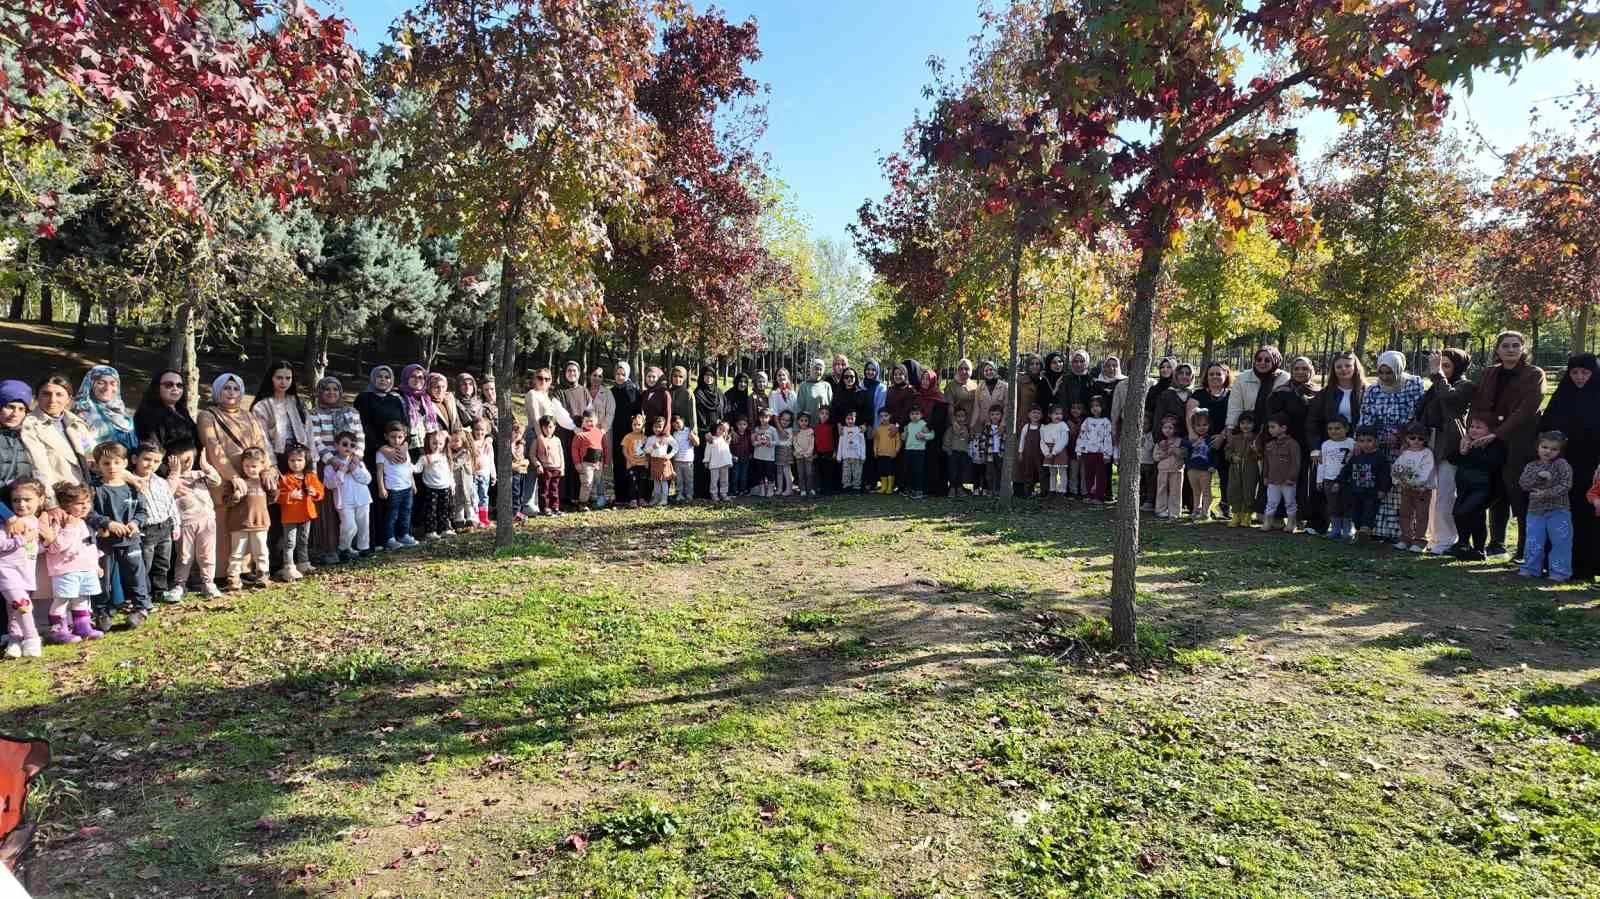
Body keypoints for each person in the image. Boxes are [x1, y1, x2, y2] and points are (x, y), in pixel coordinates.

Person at [1469, 331, 1544, 560]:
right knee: (1497, 490)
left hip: (1520, 441)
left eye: (1515, 345)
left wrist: (1498, 432)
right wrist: (1472, 431)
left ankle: (1523, 550)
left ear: (1523, 349)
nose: (1511, 350)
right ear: (1498, 350)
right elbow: (1478, 405)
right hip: (1491, 440)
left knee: (1519, 491)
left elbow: (1527, 408)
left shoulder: (1534, 374)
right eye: (1505, 346)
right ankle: (1497, 543)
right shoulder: (1489, 373)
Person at [198, 372, 275, 571]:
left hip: (251, 476)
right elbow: (213, 448)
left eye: (236, 388)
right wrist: (232, 476)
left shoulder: (249, 416)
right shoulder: (207, 415)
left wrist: (266, 469)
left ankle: (245, 570)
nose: (231, 392)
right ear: (218, 390)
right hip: (223, 478)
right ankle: (221, 572)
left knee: (248, 521)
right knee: (225, 523)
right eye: (226, 388)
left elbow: (261, 445)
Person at [1536, 354, 1597, 583]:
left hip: (1590, 468)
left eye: (1585, 372)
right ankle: (1554, 564)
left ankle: (1585, 566)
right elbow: (1546, 429)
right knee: (1558, 514)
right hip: (1560, 465)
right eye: (1574, 372)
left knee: (1585, 516)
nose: (1579, 377)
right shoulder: (1562, 397)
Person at [1359, 351, 1424, 542]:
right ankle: (1379, 530)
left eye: (1389, 372)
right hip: (1379, 444)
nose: (1385, 377)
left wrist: (1403, 437)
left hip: (1406, 444)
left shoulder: (1413, 385)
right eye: (1381, 372)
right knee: (1381, 485)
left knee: (1401, 487)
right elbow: (1366, 416)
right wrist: (1367, 439)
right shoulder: (1373, 390)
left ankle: (1403, 532)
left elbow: (1418, 414)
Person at [89, 441, 153, 629]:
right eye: (106, 463)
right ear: (98, 465)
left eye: (117, 462)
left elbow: (142, 511)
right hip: (104, 544)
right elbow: (89, 513)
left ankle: (141, 608)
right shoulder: (94, 489)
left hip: (131, 541)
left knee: (136, 576)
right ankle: (102, 612)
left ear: (125, 463)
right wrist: (108, 523)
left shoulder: (133, 488)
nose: (112, 467)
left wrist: (135, 523)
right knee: (103, 579)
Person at [1414, 349, 1471, 555]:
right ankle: (1431, 536)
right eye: (1438, 365)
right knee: (1429, 493)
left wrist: (1437, 375)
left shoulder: (1465, 386)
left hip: (1449, 445)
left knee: (1445, 495)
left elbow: (1450, 399)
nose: (1440, 370)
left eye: (1446, 366)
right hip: (1430, 441)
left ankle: (1446, 539)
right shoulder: (1434, 387)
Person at [309, 376, 362, 566]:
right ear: (320, 392)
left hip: (350, 464)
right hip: (328, 465)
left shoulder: (351, 412)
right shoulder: (314, 414)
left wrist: (356, 457)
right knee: (329, 510)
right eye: (326, 389)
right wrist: (332, 460)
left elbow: (359, 436)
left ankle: (346, 546)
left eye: (335, 389)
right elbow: (315, 440)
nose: (331, 393)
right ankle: (328, 548)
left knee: (349, 507)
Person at [22, 375, 95, 507]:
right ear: (37, 397)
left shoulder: (76, 423)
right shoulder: (30, 425)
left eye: (59, 394)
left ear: (69, 399)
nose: (52, 400)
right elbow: (39, 468)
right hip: (59, 499)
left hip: (84, 497)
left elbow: (93, 454)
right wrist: (51, 504)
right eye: (46, 394)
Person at [44, 481, 103, 641]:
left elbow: (88, 545)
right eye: (79, 503)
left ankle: (83, 627)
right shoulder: (59, 522)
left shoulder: (83, 521)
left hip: (85, 568)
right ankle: (58, 630)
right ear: (66, 505)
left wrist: (95, 564)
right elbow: (55, 547)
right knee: (62, 599)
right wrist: (70, 527)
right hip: (66, 570)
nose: (85, 507)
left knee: (82, 598)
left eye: (87, 502)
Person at [1266, 357, 1318, 532]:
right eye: (1297, 368)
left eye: (1305, 369)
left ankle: (1299, 517)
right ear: (1291, 370)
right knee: (1281, 477)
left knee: (1303, 480)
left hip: (1308, 442)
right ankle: (1278, 515)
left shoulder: (1318, 392)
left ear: (1311, 370)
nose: (1300, 372)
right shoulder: (1281, 392)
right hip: (1284, 442)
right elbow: (1272, 416)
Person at [165, 440, 221, 598]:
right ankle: (179, 584)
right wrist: (174, 473)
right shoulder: (171, 479)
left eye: (190, 458)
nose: (187, 463)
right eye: (182, 460)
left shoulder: (199, 474)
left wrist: (206, 466)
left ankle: (208, 583)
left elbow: (216, 481)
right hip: (184, 523)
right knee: (184, 556)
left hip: (207, 521)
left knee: (207, 554)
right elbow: (167, 493)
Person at [1, 479, 50, 659]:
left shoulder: (35, 521)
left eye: (27, 500)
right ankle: (32, 638)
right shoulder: (7, 522)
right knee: (22, 605)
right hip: (6, 571)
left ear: (40, 500)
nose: (21, 504)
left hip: (26, 573)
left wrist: (46, 543)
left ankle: (14, 640)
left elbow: (32, 548)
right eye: (16, 500)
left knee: (14, 610)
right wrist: (21, 539)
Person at [1449, 415, 1507, 561]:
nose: (1474, 430)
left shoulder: (1496, 445)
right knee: (1476, 517)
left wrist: (1475, 449)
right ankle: (1478, 550)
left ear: (1490, 430)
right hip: (1466, 487)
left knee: (1462, 512)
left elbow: (1492, 463)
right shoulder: (1467, 442)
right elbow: (1453, 459)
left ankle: (1464, 544)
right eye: (1472, 427)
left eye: (1479, 427)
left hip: (1486, 488)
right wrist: (1462, 451)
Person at [1518, 431, 1574, 582]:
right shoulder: (1531, 466)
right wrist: (1538, 476)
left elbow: (1566, 484)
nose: (1548, 451)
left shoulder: (1562, 465)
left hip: (1559, 510)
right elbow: (1523, 484)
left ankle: (1560, 572)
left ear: (1560, 451)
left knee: (1561, 542)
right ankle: (1530, 568)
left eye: (1554, 449)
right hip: (1535, 511)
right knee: (1533, 541)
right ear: (1537, 447)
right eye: (1545, 447)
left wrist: (1546, 493)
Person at [221, 447, 275, 591]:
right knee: (237, 552)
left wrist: (274, 489)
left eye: (254, 466)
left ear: (262, 465)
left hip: (260, 522)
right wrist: (235, 497)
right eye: (246, 466)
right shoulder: (236, 482)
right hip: (239, 524)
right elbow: (226, 501)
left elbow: (272, 499)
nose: (250, 469)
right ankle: (233, 577)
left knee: (261, 550)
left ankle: (262, 574)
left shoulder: (264, 481)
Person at [131, 442, 179, 602]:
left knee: (162, 562)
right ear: (135, 459)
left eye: (156, 461)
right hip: (146, 530)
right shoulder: (130, 483)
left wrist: (176, 525)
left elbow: (170, 504)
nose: (151, 464)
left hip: (164, 527)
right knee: (145, 563)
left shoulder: (160, 481)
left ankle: (160, 590)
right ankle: (144, 594)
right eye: (146, 459)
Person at [1187, 363, 1232, 518]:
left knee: (1226, 475)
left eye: (1218, 374)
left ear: (1226, 375)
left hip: (1225, 440)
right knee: (1200, 477)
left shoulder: (1231, 395)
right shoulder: (1198, 394)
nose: (1215, 377)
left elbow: (1234, 417)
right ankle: (1198, 507)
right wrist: (1193, 435)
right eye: (1211, 374)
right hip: (1201, 443)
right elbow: (1190, 414)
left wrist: (1222, 436)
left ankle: (1224, 506)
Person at [275, 442, 324, 581]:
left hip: (306, 514)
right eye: (292, 460)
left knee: (303, 540)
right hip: (290, 515)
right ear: (287, 461)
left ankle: (304, 563)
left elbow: (321, 491)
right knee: (290, 542)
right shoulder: (285, 478)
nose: (296, 464)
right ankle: (288, 566)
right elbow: (277, 497)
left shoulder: (310, 476)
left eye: (299, 460)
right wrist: (290, 495)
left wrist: (314, 492)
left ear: (306, 461)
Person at [325, 432, 372, 560]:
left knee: (363, 524)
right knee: (349, 526)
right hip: (344, 501)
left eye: (352, 445)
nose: (348, 447)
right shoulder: (331, 465)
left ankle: (364, 547)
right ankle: (344, 548)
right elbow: (329, 485)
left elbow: (367, 479)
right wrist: (341, 472)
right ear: (336, 445)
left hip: (362, 498)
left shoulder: (358, 462)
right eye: (345, 444)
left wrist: (355, 469)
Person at [1391, 424, 1436, 552]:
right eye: (1412, 438)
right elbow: (1396, 468)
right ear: (1407, 438)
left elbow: (1427, 471)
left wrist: (1414, 482)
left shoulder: (1427, 453)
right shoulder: (1405, 453)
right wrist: (1399, 480)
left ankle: (1420, 540)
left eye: (1420, 439)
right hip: (1406, 489)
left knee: (1421, 515)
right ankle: (1406, 538)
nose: (1416, 441)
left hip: (1422, 490)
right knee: (1405, 513)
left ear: (1426, 440)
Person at [74, 365, 139, 451]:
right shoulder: (82, 413)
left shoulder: (123, 413)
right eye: (101, 383)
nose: (107, 388)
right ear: (91, 384)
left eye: (113, 384)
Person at [134, 369, 200, 453]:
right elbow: (153, 449)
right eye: (169, 385)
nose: (175, 388)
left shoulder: (182, 411)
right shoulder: (147, 414)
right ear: (157, 388)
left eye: (179, 385)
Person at [375, 422, 417, 549]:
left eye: (400, 437)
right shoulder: (382, 453)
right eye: (393, 437)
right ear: (386, 436)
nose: (396, 440)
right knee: (392, 515)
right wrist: (381, 488)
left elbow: (409, 468)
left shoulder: (405, 451)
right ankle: (389, 538)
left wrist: (413, 484)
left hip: (407, 488)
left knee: (406, 513)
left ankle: (404, 535)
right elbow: (379, 471)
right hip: (393, 490)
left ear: (404, 437)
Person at [1346, 426, 1392, 540]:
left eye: (1369, 441)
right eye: (1361, 441)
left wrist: (1383, 489)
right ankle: (1359, 532)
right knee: (1356, 514)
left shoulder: (1380, 458)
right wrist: (1339, 481)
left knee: (1369, 512)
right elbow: (1346, 470)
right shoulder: (1356, 456)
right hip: (1356, 491)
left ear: (1375, 441)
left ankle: (1365, 531)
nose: (1365, 444)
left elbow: (1386, 475)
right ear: (1357, 442)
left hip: (1372, 492)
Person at [1316, 416, 1356, 541]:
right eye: (1330, 428)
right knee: (1333, 505)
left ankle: (1347, 531)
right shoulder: (1326, 445)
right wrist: (1319, 480)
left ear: (1346, 428)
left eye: (1338, 428)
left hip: (1346, 480)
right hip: (1329, 479)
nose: (1334, 431)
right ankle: (1335, 530)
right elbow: (1322, 463)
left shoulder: (1352, 443)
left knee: (1347, 504)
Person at [1261, 414, 1301, 532]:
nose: (1270, 430)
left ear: (1283, 428)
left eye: (1273, 427)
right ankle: (1268, 522)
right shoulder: (1269, 445)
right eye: (1269, 427)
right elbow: (1266, 463)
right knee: (1271, 502)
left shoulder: (1293, 444)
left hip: (1287, 481)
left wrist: (1292, 477)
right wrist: (1265, 476)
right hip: (1273, 480)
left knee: (1290, 502)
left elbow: (1296, 463)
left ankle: (1291, 523)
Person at [414, 429, 456, 537]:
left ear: (444, 443)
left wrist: (452, 484)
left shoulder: (445, 456)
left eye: (440, 443)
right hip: (431, 487)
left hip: (445, 487)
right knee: (431, 510)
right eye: (434, 443)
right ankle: (430, 531)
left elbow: (449, 471)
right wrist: (407, 465)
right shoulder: (425, 457)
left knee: (444, 509)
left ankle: (444, 528)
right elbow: (417, 469)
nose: (437, 446)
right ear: (428, 442)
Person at [611, 362, 642, 506]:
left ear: (627, 374)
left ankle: (632, 496)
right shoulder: (611, 391)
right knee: (618, 462)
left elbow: (638, 411)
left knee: (631, 462)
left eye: (623, 374)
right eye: (617, 374)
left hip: (631, 431)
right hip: (616, 431)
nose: (620, 377)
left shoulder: (634, 390)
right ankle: (620, 496)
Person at [691, 366, 724, 500]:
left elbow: (723, 411)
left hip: (718, 434)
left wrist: (722, 428)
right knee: (703, 462)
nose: (709, 378)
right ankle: (701, 492)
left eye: (711, 375)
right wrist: (705, 431)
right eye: (706, 375)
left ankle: (715, 491)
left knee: (717, 463)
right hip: (704, 434)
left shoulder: (719, 393)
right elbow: (696, 415)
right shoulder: (698, 393)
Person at [1225, 413, 1262, 528]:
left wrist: (1255, 450)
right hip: (1235, 469)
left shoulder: (1257, 438)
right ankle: (1236, 515)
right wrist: (1232, 457)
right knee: (1234, 490)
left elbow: (1260, 455)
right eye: (1242, 423)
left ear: (1254, 424)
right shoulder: (1235, 438)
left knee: (1249, 491)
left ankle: (1247, 515)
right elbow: (1227, 451)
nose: (1245, 426)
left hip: (1250, 468)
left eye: (1249, 423)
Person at [1078, 396, 1114, 504]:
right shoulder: (1087, 421)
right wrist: (1079, 450)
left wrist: (1107, 454)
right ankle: (1090, 494)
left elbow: (1108, 438)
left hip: (1101, 453)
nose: (1095, 408)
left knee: (1100, 476)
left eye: (1097, 406)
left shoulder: (1106, 421)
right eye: (1092, 406)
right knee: (1088, 474)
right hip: (1088, 452)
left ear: (1102, 407)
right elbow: (1081, 435)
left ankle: (1099, 497)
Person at [571, 411, 609, 510]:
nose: (589, 423)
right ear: (582, 422)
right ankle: (583, 503)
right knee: (587, 482)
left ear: (596, 421)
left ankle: (593, 501)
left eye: (591, 421)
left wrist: (605, 461)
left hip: (598, 463)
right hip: (586, 464)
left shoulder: (600, 433)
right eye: (587, 421)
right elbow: (574, 449)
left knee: (596, 482)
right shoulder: (580, 435)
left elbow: (605, 448)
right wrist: (577, 463)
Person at [1153, 415, 1188, 519]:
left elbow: (1184, 454)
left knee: (1175, 490)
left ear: (1175, 429)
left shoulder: (1180, 441)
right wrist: (1162, 455)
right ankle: (1161, 510)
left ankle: (1175, 511)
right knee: (1161, 489)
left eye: (1170, 428)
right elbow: (1155, 457)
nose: (1167, 430)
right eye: (1165, 427)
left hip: (1176, 469)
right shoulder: (1160, 443)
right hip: (1163, 469)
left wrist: (1175, 450)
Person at [1186, 411, 1218, 520]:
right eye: (1198, 425)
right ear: (1193, 426)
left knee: (1206, 492)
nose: (1201, 428)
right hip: (1192, 470)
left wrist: (1213, 465)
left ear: (1209, 425)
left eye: (1204, 425)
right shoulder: (1190, 439)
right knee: (1196, 492)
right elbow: (1185, 450)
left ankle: (1206, 512)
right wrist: (1193, 444)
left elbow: (1215, 454)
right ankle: (1196, 510)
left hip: (1205, 470)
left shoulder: (1211, 439)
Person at [532, 414, 565, 516]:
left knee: (554, 489)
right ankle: (545, 508)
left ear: (555, 427)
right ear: (541, 427)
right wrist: (538, 465)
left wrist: (562, 468)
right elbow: (532, 454)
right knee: (544, 489)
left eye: (550, 427)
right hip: (545, 469)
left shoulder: (557, 440)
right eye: (545, 427)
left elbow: (561, 454)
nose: (548, 429)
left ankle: (555, 507)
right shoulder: (538, 440)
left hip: (556, 468)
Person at [643, 416, 677, 507]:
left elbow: (676, 446)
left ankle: (664, 498)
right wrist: (652, 447)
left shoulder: (666, 437)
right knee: (656, 481)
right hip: (654, 461)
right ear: (652, 427)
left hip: (663, 461)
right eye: (655, 427)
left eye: (660, 427)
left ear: (664, 427)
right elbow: (646, 450)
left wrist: (669, 455)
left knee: (663, 481)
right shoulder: (651, 438)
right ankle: (656, 498)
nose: (657, 429)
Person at [1013, 405, 1045, 499]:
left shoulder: (1042, 427)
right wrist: (1020, 452)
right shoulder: (1026, 427)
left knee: (1041, 472)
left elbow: (1044, 440)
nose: (1036, 415)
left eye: (1038, 413)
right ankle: (1028, 492)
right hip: (1028, 454)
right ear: (1029, 415)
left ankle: (1043, 492)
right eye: (1033, 412)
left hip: (1040, 454)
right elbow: (1022, 440)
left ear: (1041, 415)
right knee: (1028, 472)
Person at [618, 413, 648, 507]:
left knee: (642, 483)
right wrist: (630, 460)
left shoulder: (645, 437)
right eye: (634, 424)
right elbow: (624, 450)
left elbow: (647, 451)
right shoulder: (628, 437)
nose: (636, 427)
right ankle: (633, 500)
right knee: (632, 482)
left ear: (643, 425)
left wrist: (647, 461)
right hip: (632, 464)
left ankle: (641, 499)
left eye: (639, 424)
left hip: (642, 464)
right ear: (631, 425)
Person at [903, 405, 933, 499]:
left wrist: (924, 436)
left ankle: (919, 490)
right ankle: (910, 488)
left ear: (921, 415)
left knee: (918, 471)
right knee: (908, 470)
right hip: (908, 450)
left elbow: (932, 435)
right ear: (909, 415)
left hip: (919, 451)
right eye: (912, 414)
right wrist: (903, 436)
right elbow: (905, 437)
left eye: (917, 413)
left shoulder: (924, 424)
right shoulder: (908, 425)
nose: (914, 416)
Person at [1041, 405, 1071, 497]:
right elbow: (1042, 441)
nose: (1058, 416)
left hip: (1059, 450)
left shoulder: (1063, 425)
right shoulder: (1045, 427)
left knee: (1062, 472)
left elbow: (1063, 440)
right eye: (1056, 414)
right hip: (1048, 451)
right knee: (1052, 472)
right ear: (1050, 415)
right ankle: (1052, 489)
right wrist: (1046, 452)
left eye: (1060, 414)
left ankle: (1062, 490)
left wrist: (1054, 452)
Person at [669, 413, 699, 503]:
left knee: (689, 479)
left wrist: (692, 437)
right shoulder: (674, 433)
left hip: (688, 459)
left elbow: (697, 443)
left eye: (678, 423)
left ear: (683, 420)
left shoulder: (689, 430)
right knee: (679, 479)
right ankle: (680, 494)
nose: (676, 426)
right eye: (674, 425)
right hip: (677, 460)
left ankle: (689, 495)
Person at [471, 418, 496, 524]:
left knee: (484, 496)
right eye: (477, 429)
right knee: (474, 497)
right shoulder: (472, 444)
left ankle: (484, 518)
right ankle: (475, 518)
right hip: (474, 475)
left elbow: (491, 460)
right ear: (473, 430)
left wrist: (493, 474)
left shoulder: (488, 444)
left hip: (485, 475)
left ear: (486, 431)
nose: (479, 432)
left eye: (482, 430)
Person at [944, 407, 972, 497]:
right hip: (953, 453)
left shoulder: (967, 428)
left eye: (962, 416)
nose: (960, 418)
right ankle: (952, 488)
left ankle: (959, 488)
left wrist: (967, 435)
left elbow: (969, 440)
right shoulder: (951, 429)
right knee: (953, 471)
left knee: (961, 471)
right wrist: (948, 450)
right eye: (958, 416)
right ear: (954, 417)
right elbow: (946, 440)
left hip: (963, 453)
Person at [944, 359, 979, 432]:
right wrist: (954, 422)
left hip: (972, 424)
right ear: (957, 370)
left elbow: (977, 406)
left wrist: (974, 424)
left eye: (966, 369)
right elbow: (950, 406)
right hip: (957, 425)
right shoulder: (951, 386)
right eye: (961, 369)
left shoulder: (975, 385)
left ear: (971, 370)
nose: (963, 371)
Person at [836, 410, 867, 492]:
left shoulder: (859, 430)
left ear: (855, 419)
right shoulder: (843, 429)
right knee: (846, 472)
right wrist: (839, 456)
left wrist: (863, 456)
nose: (850, 421)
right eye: (848, 419)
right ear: (845, 419)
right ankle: (847, 485)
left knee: (857, 472)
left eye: (852, 419)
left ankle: (856, 486)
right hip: (846, 456)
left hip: (857, 456)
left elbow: (862, 444)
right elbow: (840, 443)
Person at [796, 359, 832, 427]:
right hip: (808, 426)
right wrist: (797, 427)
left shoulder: (826, 386)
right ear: (811, 369)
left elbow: (830, 406)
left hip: (823, 426)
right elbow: (799, 408)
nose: (818, 371)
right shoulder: (804, 386)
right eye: (816, 368)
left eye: (821, 369)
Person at [751, 411, 778, 498]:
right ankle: (762, 490)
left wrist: (770, 443)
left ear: (769, 418)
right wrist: (757, 443)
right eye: (761, 417)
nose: (763, 419)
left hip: (769, 457)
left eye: (766, 417)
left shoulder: (772, 429)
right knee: (760, 474)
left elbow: (777, 441)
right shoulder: (756, 429)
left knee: (770, 473)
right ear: (759, 418)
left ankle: (770, 490)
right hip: (758, 456)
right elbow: (753, 442)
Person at [874, 410, 901, 496]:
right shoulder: (878, 429)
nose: (884, 418)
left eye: (886, 415)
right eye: (881, 416)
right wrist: (875, 450)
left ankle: (890, 487)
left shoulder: (894, 428)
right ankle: (884, 487)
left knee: (890, 471)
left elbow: (898, 441)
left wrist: (896, 450)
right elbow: (876, 441)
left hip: (891, 454)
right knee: (882, 470)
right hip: (881, 454)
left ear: (890, 416)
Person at [706, 421, 734, 503]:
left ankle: (723, 494)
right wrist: (706, 460)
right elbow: (707, 451)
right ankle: (714, 494)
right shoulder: (712, 439)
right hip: (714, 464)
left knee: (724, 480)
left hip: (724, 463)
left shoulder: (725, 440)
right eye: (720, 429)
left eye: (723, 430)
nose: (721, 431)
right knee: (714, 480)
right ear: (716, 429)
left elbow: (727, 452)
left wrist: (730, 460)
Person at [813, 405, 839, 494]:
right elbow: (815, 440)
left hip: (829, 452)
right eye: (822, 413)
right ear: (819, 414)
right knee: (821, 471)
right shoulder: (816, 427)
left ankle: (829, 488)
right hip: (819, 452)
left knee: (829, 471)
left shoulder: (832, 426)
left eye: (826, 414)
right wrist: (815, 452)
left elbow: (835, 439)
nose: (824, 415)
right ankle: (822, 488)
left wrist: (835, 451)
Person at [792, 411, 817, 497]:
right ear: (798, 421)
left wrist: (808, 452)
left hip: (808, 456)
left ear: (808, 421)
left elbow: (812, 443)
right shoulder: (796, 432)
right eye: (801, 420)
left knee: (809, 473)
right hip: (799, 456)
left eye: (806, 421)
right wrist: (800, 451)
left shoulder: (810, 431)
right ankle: (802, 489)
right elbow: (795, 442)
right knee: (801, 473)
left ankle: (810, 488)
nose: (803, 422)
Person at [729, 415, 753, 497]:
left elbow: (750, 445)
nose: (742, 426)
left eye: (744, 424)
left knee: (744, 475)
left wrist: (751, 454)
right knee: (735, 475)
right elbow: (730, 446)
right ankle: (734, 490)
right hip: (736, 458)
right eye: (740, 424)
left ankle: (743, 489)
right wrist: (732, 455)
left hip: (746, 458)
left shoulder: (748, 435)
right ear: (736, 424)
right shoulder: (734, 435)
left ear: (747, 425)